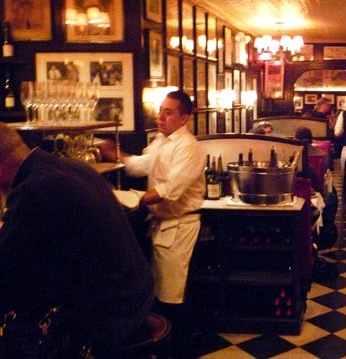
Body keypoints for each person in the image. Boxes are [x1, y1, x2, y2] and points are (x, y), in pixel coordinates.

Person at [0, 123, 154, 357]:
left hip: (111, 319)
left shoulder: (35, 189)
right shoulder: (71, 167)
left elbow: (9, 269)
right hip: (136, 298)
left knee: (17, 333)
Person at [98, 89, 205, 353]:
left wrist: (130, 199)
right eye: (160, 110)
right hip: (160, 225)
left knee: (172, 296)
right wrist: (113, 152)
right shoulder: (163, 142)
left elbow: (170, 191)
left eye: (168, 112)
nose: (160, 117)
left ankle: (178, 349)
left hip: (179, 226)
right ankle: (164, 347)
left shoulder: (188, 148)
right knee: (157, 291)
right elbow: (138, 165)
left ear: (184, 118)